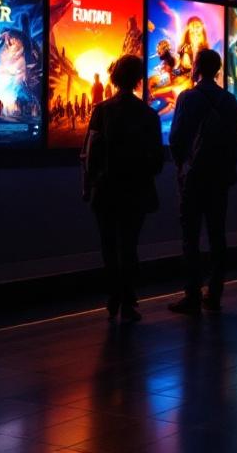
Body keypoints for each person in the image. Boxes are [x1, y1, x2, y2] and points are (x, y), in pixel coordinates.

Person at [83, 54, 165, 322]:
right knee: (129, 244)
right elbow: (157, 159)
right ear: (139, 78)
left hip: (105, 189)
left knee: (108, 245)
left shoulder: (102, 110)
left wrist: (89, 184)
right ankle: (129, 299)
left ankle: (113, 296)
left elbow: (91, 153)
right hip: (136, 190)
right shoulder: (149, 115)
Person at [167, 49, 237, 314]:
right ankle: (215, 293)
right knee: (217, 234)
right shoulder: (230, 101)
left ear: (196, 67)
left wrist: (181, 166)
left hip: (194, 176)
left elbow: (176, 138)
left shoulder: (187, 98)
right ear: (218, 69)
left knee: (190, 237)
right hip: (220, 177)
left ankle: (192, 295)